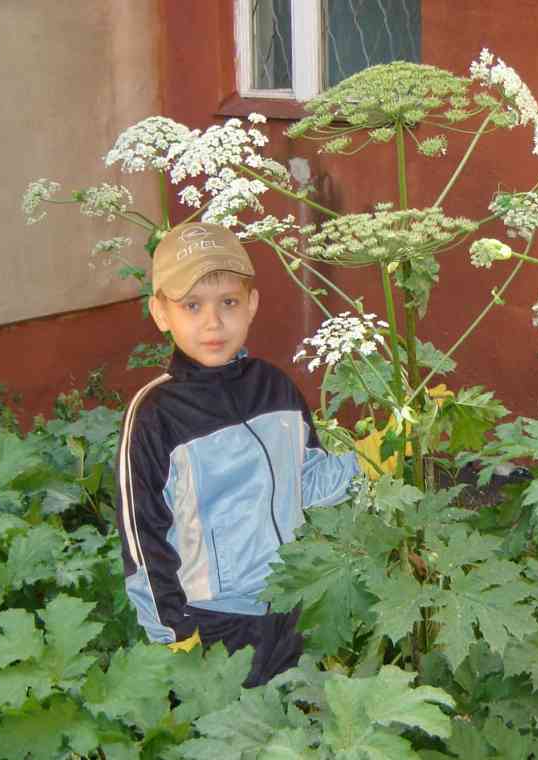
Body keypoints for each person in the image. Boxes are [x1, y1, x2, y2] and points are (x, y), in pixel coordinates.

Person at [115, 221, 359, 686]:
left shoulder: (277, 388)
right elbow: (143, 536)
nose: (213, 322)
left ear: (251, 305)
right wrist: (171, 629)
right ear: (161, 313)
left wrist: (369, 462)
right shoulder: (154, 415)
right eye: (192, 306)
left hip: (290, 603)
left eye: (228, 302)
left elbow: (305, 479)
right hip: (210, 622)